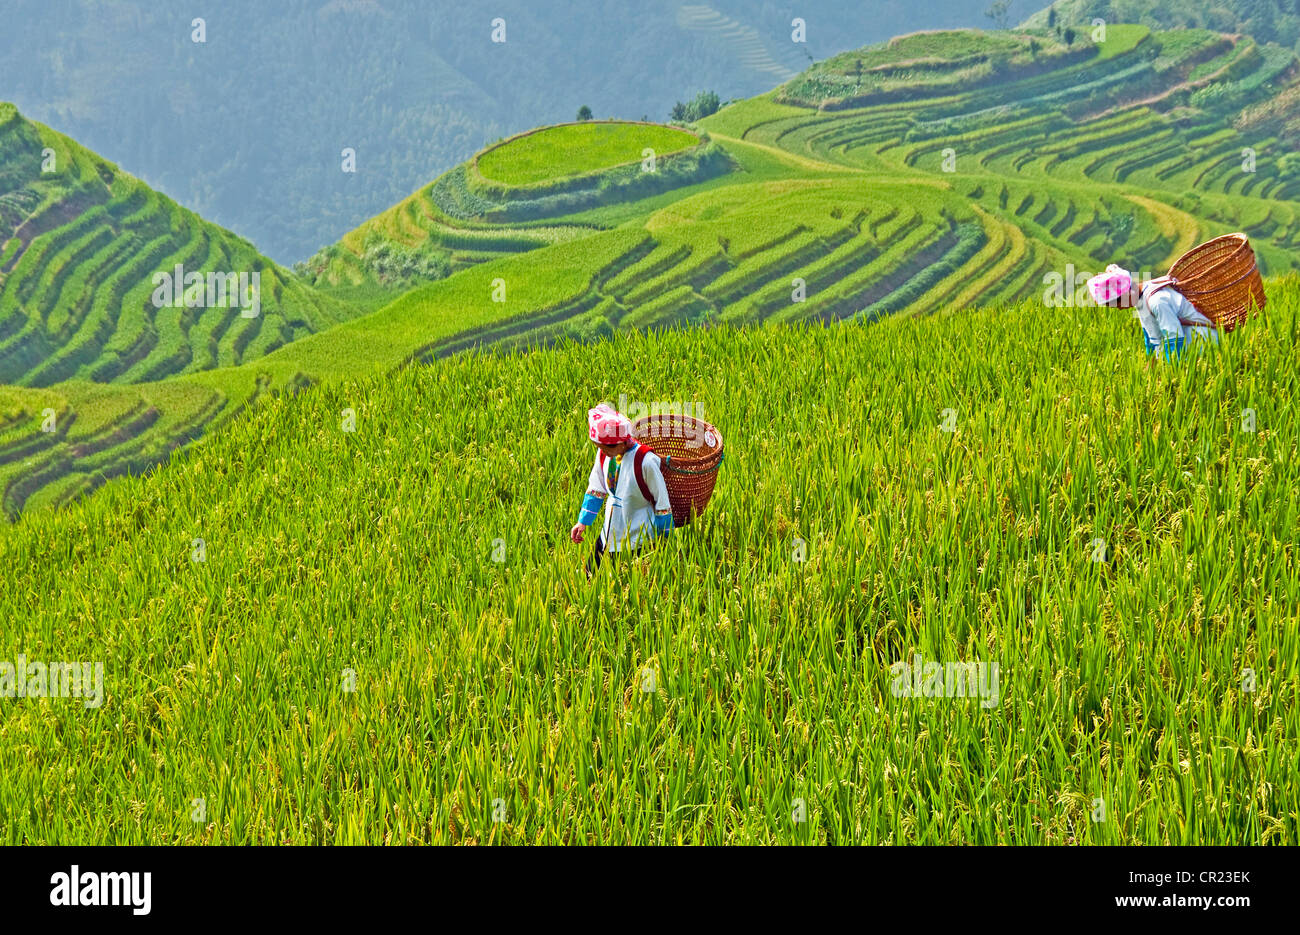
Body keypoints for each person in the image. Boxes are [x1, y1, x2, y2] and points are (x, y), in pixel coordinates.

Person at [570, 403, 674, 575]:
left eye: (605, 448)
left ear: (622, 442)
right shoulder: (604, 454)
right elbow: (596, 489)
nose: (602, 452)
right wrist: (583, 521)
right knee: (590, 575)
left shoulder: (646, 461)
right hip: (610, 531)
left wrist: (665, 537)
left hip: (640, 536)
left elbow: (662, 502)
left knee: (634, 578)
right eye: (599, 447)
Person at [1087, 264, 1218, 360]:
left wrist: (1174, 370)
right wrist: (1152, 362)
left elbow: (1174, 336)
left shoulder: (1157, 301)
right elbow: (1150, 333)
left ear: (1127, 292)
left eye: (1118, 304)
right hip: (1185, 340)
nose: (1120, 309)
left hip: (1201, 340)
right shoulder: (1140, 299)